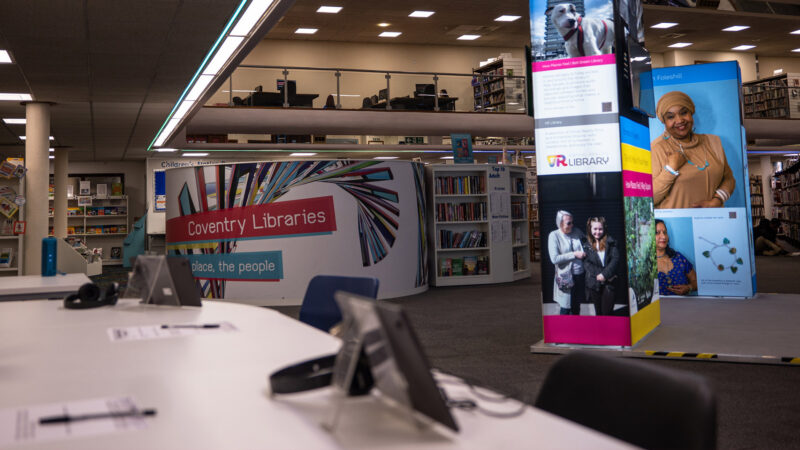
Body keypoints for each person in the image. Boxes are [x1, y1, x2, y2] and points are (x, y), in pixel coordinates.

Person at [651, 91, 736, 209]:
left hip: (714, 222)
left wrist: (717, 200)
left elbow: (729, 179)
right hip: (676, 225)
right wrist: (670, 169)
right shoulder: (656, 148)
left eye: (684, 113)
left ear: (691, 112)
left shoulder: (713, 142)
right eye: (670, 117)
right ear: (664, 122)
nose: (680, 120)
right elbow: (649, 198)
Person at [548, 210, 586, 315]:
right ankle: (564, 329)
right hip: (566, 277)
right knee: (565, 307)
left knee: (576, 306)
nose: (572, 225)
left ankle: (576, 329)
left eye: (572, 222)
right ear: (560, 223)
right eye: (568, 223)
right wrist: (574, 254)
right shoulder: (554, 236)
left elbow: (586, 244)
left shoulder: (576, 231)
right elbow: (554, 259)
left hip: (579, 274)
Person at [582, 217, 620, 316]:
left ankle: (609, 331)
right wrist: (599, 274)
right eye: (595, 229)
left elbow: (615, 259)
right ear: (590, 229)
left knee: (607, 313)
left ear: (604, 229)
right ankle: (600, 331)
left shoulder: (611, 242)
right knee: (598, 313)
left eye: (600, 229)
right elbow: (586, 263)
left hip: (609, 281)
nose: (597, 232)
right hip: (594, 283)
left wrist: (604, 274)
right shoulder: (586, 245)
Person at [655, 219, 697, 296]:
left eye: (665, 232)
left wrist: (689, 287)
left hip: (684, 306)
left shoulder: (678, 258)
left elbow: (696, 281)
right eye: (657, 233)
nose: (663, 236)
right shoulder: (645, 265)